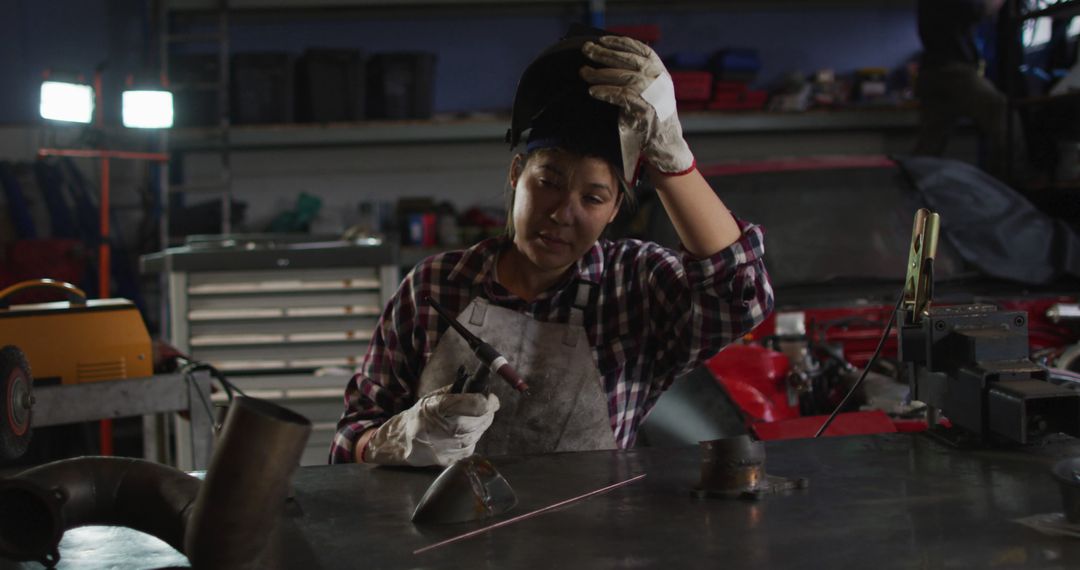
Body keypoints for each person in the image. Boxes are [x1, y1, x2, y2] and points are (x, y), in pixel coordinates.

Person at [329, 29, 774, 467]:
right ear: (516, 174)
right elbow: (351, 439)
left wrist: (673, 160)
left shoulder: (636, 284)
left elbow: (739, 297)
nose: (562, 213)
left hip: (591, 534)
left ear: (617, 207)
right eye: (548, 183)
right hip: (441, 533)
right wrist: (400, 439)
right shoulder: (434, 285)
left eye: (593, 198)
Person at [912, 0, 1017, 180]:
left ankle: (913, 185)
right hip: (953, 70)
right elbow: (978, 10)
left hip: (932, 70)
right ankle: (1015, 178)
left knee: (931, 139)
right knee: (1000, 110)